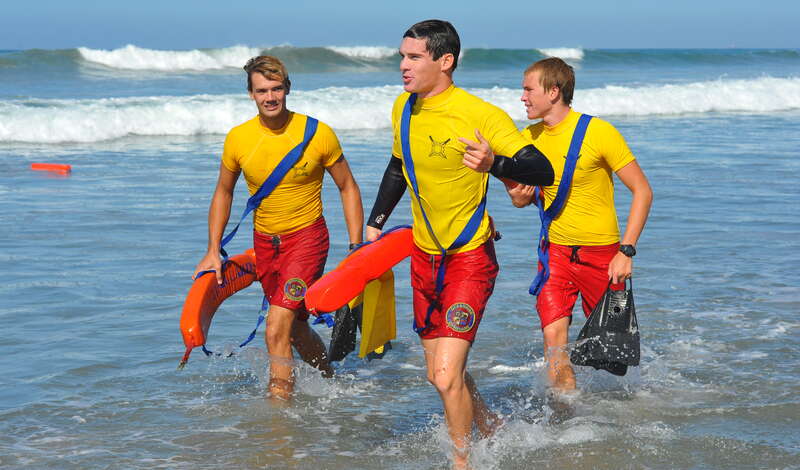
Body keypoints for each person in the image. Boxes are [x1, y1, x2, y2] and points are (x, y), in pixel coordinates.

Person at [365, 20, 554, 468]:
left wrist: (495, 162)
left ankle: (462, 462)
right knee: (441, 375)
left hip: (469, 259)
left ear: (444, 61)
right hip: (423, 258)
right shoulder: (403, 108)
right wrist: (376, 222)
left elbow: (541, 170)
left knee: (446, 374)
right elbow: (398, 165)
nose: (403, 65)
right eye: (402, 56)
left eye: (413, 57)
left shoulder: (479, 114)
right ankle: (491, 425)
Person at [193, 55, 363, 400]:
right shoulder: (238, 139)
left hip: (308, 239)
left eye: (277, 89)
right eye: (262, 91)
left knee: (275, 328)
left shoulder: (317, 133)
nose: (270, 97)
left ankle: (278, 420)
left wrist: (356, 248)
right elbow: (223, 192)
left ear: (287, 89)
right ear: (251, 95)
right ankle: (331, 382)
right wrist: (213, 249)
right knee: (295, 327)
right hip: (266, 245)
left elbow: (348, 187)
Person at [507, 57, 653, 399]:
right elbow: (521, 200)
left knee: (612, 359)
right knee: (554, 343)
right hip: (554, 255)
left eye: (528, 89)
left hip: (603, 256)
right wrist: (518, 196)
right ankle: (568, 422)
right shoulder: (527, 139)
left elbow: (643, 191)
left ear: (554, 91)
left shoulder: (599, 132)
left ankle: (622, 417)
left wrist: (626, 251)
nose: (522, 97)